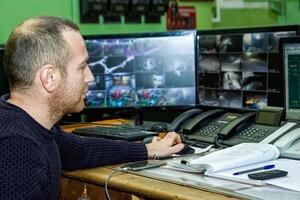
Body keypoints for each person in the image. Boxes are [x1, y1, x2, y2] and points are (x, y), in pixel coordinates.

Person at [0, 16, 184, 199]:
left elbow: (81, 150)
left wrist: (148, 150)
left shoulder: (32, 126)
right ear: (50, 78)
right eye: (82, 67)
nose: (90, 77)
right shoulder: (15, 145)